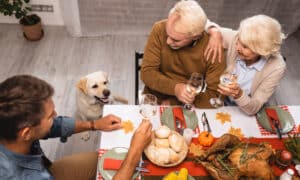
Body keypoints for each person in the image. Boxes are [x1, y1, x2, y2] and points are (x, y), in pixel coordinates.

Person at [0, 75, 152, 180]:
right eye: (49, 116)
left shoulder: (11, 125)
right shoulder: (21, 176)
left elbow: (54, 126)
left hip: (48, 171)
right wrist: (135, 152)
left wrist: (93, 124)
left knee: (108, 159)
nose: (56, 114)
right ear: (26, 133)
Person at [141, 0, 226, 108]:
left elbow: (215, 96)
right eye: (167, 34)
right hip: (153, 100)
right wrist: (176, 89)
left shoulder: (212, 46)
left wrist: (176, 103)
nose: (168, 42)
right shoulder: (159, 29)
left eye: (176, 40)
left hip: (188, 105)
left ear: (196, 36)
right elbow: (147, 73)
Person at [206, 15, 286, 115]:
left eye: (245, 47)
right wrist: (215, 32)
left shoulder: (276, 67)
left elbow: (253, 108)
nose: (237, 47)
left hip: (242, 111)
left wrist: (238, 94)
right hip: (216, 100)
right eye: (239, 40)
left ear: (261, 50)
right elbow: (203, 22)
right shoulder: (237, 39)